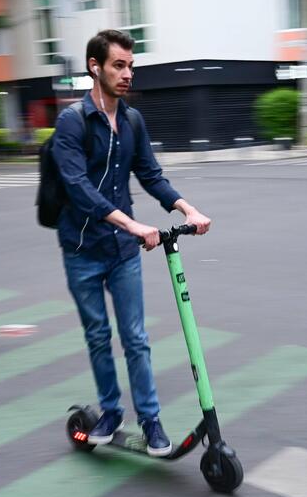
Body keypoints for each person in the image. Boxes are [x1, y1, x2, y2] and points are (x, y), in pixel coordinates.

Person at [51, 29, 211, 456]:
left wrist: (188, 210)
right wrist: (134, 226)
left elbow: (151, 175)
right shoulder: (71, 122)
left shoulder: (132, 121)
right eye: (118, 66)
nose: (127, 74)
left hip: (122, 252)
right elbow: (79, 188)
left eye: (130, 66)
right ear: (95, 67)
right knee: (98, 336)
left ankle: (150, 420)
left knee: (136, 338)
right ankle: (110, 412)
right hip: (82, 250)